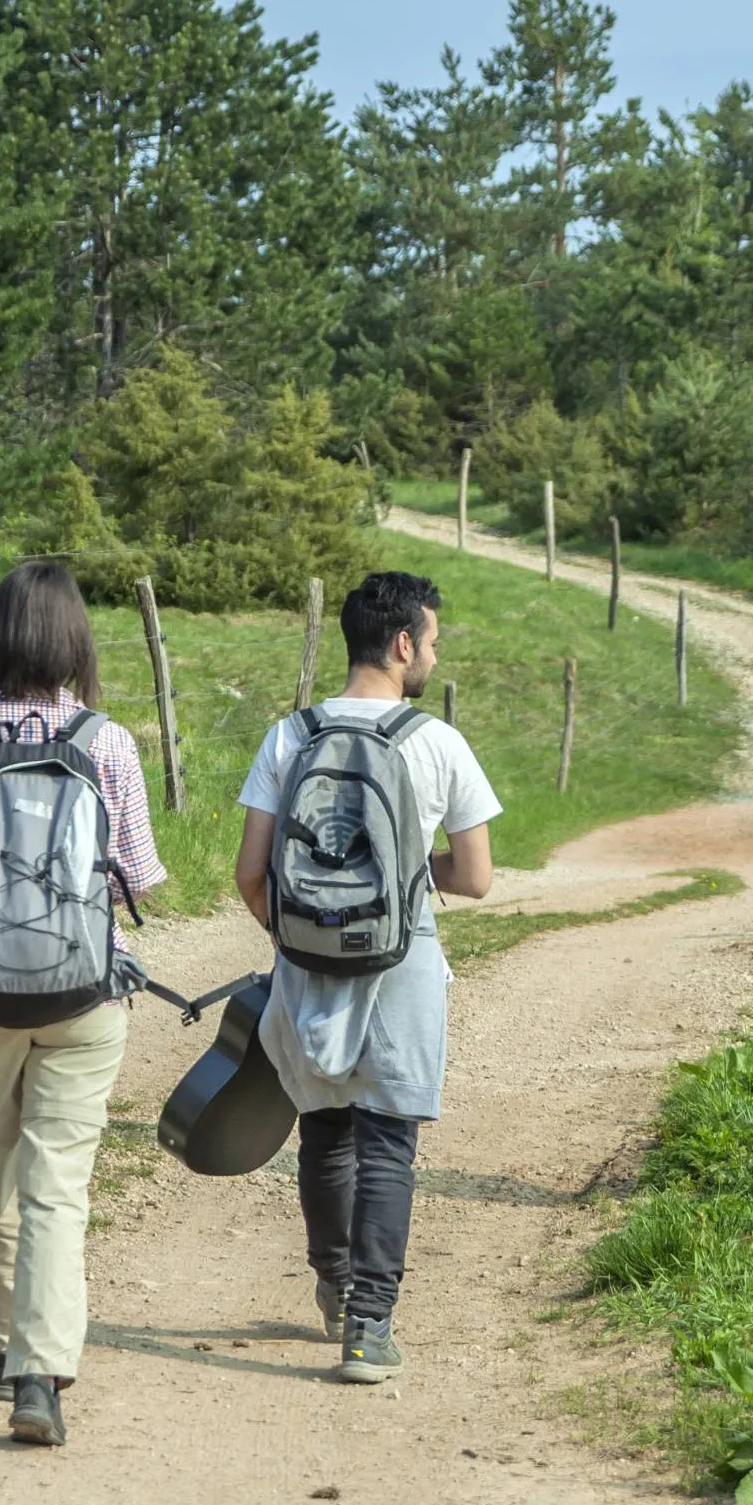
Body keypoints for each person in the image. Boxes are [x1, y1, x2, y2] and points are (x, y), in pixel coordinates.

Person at [0, 560, 168, 1448]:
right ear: (76, 639)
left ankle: (8, 1342)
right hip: (86, 995)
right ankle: (39, 1377)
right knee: (59, 1186)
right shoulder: (109, 741)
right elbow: (143, 877)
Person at [234, 568, 499, 1386]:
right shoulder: (435, 741)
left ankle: (333, 1280)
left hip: (306, 956)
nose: (432, 653)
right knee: (390, 1141)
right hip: (402, 957)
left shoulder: (291, 734)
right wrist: (405, 877)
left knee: (326, 1127)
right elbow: (479, 877)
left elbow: (250, 873)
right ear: (402, 642)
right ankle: (369, 1327)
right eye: (432, 641)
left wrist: (306, 936)